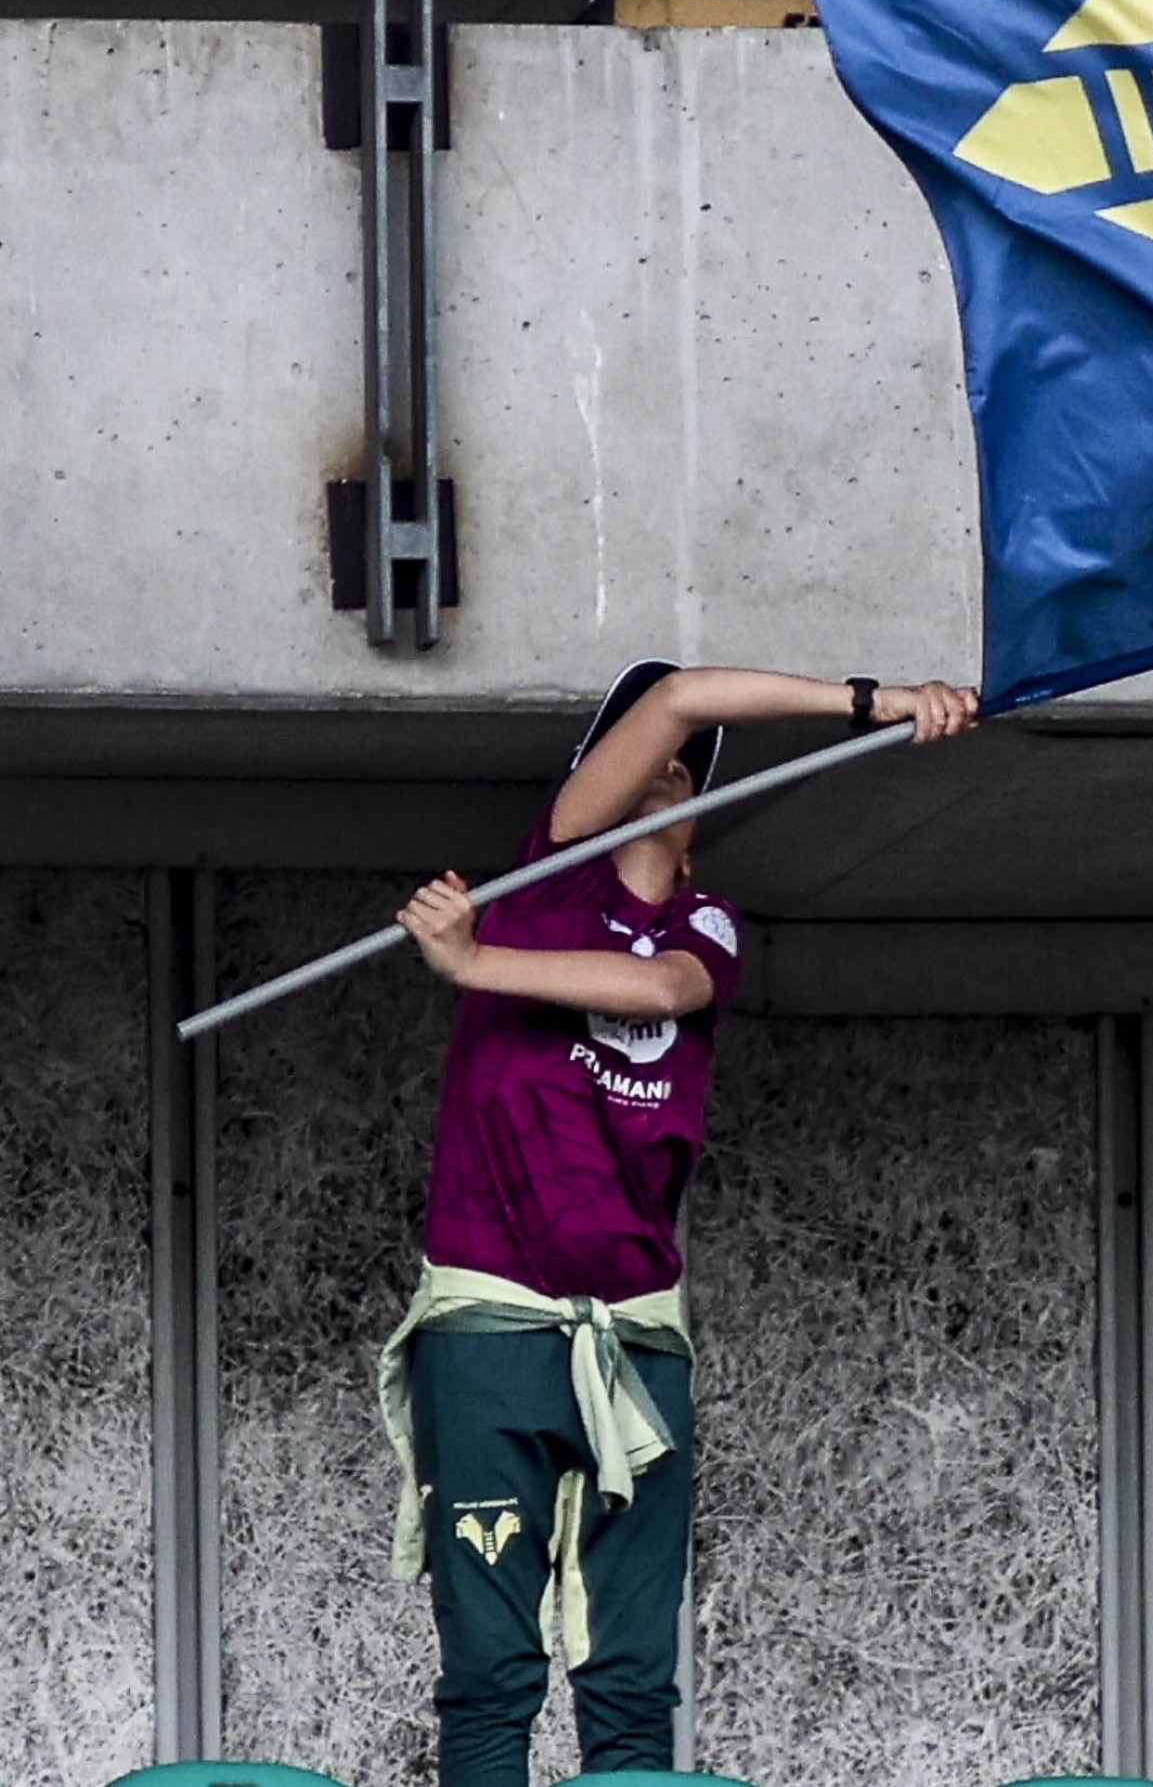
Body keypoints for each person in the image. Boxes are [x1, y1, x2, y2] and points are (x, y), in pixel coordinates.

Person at [376, 662, 976, 1787]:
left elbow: (655, 994)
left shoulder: (706, 925)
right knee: (493, 1669)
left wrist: (469, 965)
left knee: (632, 1672)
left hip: (639, 1339)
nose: (661, 771)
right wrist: (874, 700)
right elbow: (681, 697)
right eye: (637, 761)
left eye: (683, 775)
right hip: (492, 1327)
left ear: (700, 829)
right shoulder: (543, 882)